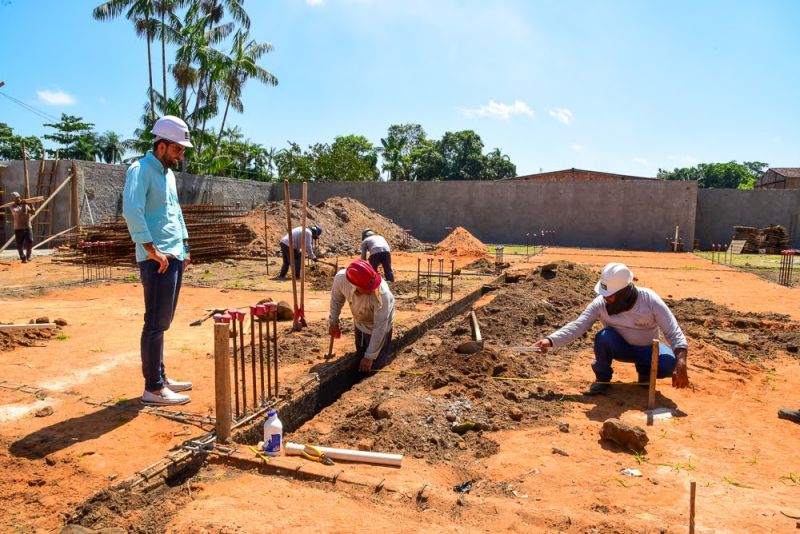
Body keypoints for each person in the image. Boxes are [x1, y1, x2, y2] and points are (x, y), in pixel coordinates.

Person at [531, 262, 690, 395]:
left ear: (624, 292)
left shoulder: (649, 300)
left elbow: (673, 332)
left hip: (647, 349)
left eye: (610, 296)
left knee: (669, 364)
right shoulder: (600, 303)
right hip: (620, 349)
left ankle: (645, 373)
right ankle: (602, 379)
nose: (605, 299)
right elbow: (578, 325)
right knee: (604, 336)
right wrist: (550, 341)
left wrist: (681, 363)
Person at [122, 115, 194, 406]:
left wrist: (185, 245)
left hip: (173, 254)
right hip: (157, 259)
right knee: (154, 322)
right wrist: (151, 249)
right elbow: (132, 210)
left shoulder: (169, 175)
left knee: (163, 321)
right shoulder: (139, 170)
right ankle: (152, 388)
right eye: (178, 149)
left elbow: (175, 212)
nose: (181, 155)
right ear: (162, 145)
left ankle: (160, 377)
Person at [329, 260, 395, 372]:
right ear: (355, 285)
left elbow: (380, 327)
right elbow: (336, 301)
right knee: (360, 354)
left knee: (376, 363)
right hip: (360, 321)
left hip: (381, 324)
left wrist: (369, 357)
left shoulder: (382, 295)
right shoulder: (341, 279)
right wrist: (333, 321)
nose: (372, 290)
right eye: (367, 289)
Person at [9, 192, 34, 263]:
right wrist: (24, 204)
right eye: (16, 198)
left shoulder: (25, 205)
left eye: (19, 197)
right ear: (13, 199)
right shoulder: (12, 206)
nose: (18, 199)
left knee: (30, 241)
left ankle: (28, 256)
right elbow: (22, 212)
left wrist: (31, 204)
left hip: (28, 226)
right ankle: (23, 257)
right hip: (19, 228)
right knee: (20, 244)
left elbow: (33, 212)